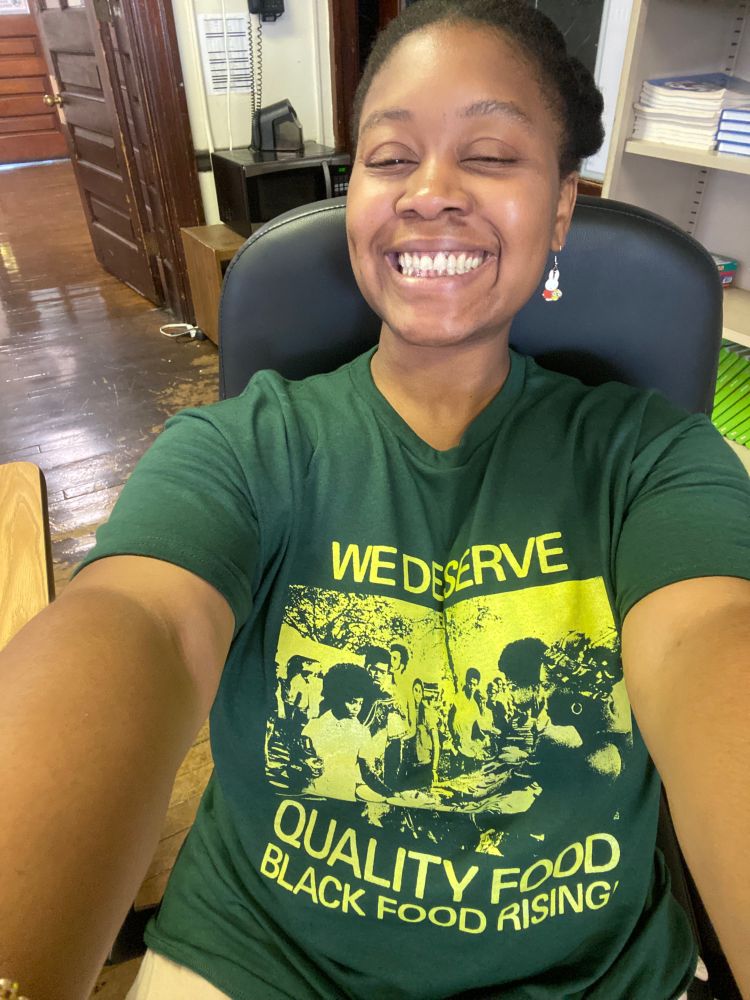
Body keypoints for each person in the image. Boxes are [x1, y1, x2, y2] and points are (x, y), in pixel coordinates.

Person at [1, 2, 748, 999]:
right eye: (391, 158)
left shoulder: (655, 460)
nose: (429, 192)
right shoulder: (241, 448)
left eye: (488, 153)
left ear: (562, 207)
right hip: (261, 958)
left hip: (586, 975)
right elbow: (141, 621)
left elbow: (713, 641)